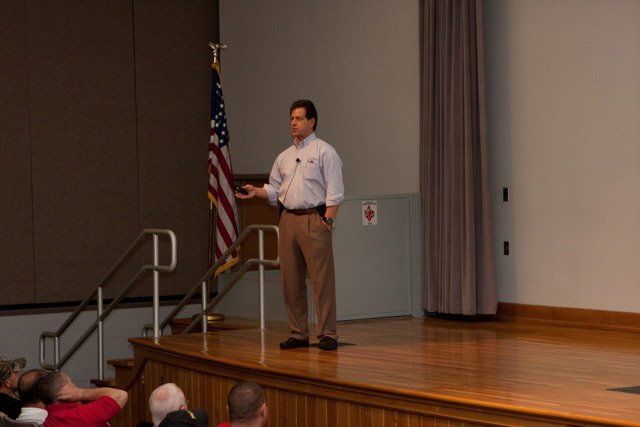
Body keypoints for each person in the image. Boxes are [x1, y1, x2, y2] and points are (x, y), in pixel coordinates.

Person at [236, 99, 344, 351]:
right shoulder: (284, 156)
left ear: (311, 121)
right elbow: (275, 190)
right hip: (287, 220)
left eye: (298, 118)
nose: (293, 123)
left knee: (321, 280)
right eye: (291, 119)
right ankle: (298, 332)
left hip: (313, 219)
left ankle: (327, 333)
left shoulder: (324, 152)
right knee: (290, 280)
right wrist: (256, 191)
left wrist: (327, 219)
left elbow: (335, 191)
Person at [38, 371, 127, 427]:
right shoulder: (78, 415)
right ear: (65, 388)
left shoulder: (49, 420)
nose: (75, 386)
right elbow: (120, 395)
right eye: (71, 382)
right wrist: (81, 393)